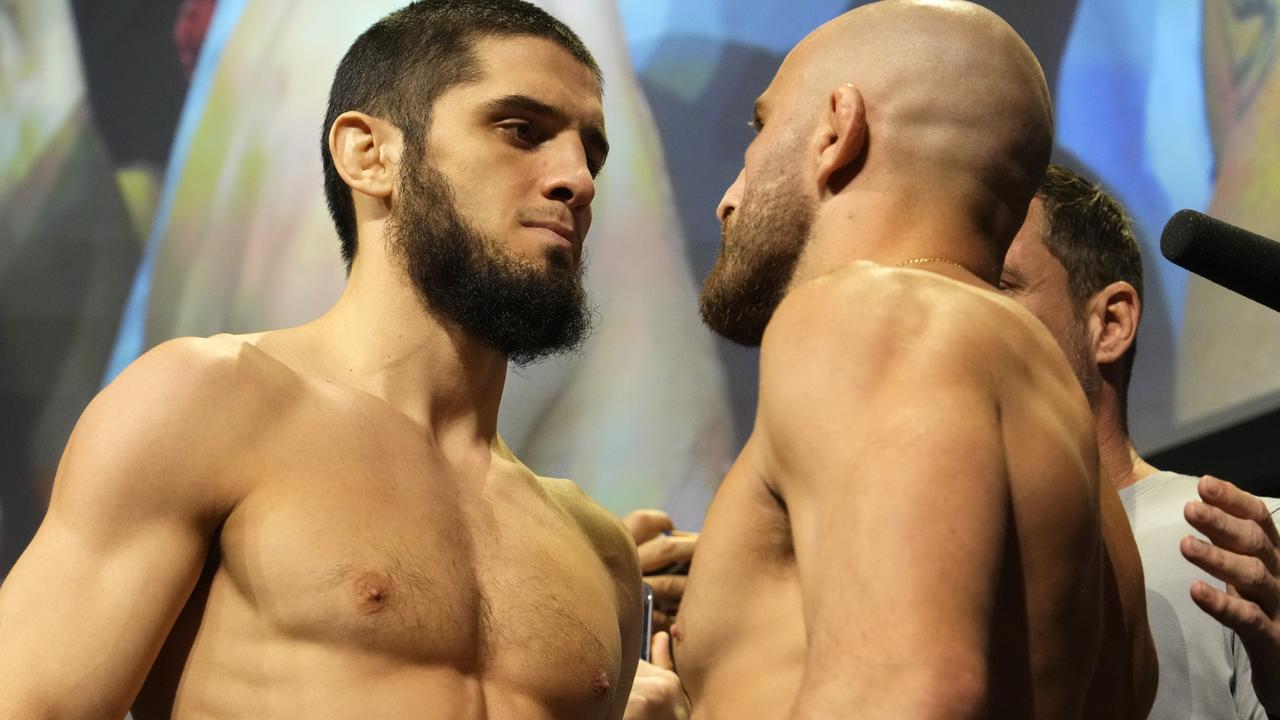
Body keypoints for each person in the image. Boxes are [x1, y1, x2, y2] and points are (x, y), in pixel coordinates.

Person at [0, 2, 645, 718]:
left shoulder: (597, 550)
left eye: (591, 151)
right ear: (369, 155)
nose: (577, 179)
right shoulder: (206, 407)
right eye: (521, 131)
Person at [673, 1, 1158, 717]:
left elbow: (905, 693)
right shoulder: (1080, 466)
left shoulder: (874, 316)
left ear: (838, 130)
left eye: (763, 125)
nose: (727, 197)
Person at [1001, 164, 1280, 719]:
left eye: (998, 287)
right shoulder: (928, 585)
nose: (956, 322)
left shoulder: (1251, 553)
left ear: (1110, 324)